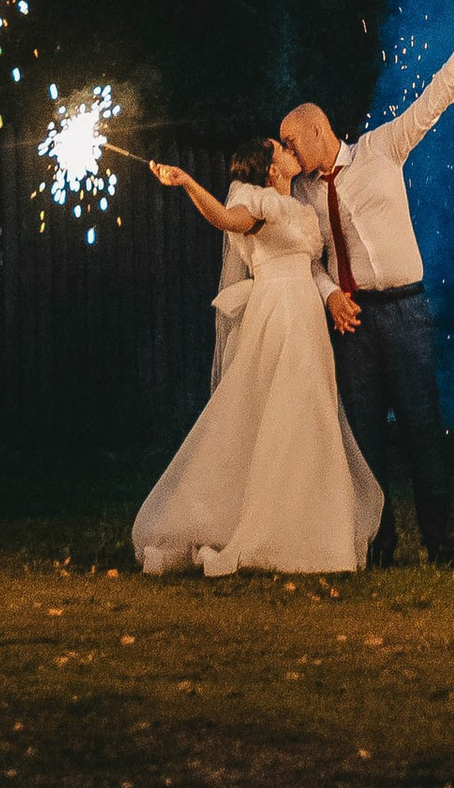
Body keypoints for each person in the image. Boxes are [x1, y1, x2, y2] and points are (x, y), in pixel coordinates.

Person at [281, 10, 454, 572]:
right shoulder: (301, 192)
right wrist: (328, 295)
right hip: (352, 321)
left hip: (404, 310)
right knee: (364, 438)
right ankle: (379, 545)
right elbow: (309, 258)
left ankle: (440, 544)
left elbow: (431, 104)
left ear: (318, 132)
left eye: (290, 139)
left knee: (422, 428)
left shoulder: (381, 149)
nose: (287, 149)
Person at [133, 144, 384, 575]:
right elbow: (225, 220)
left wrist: (331, 299)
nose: (291, 151)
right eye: (282, 149)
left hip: (306, 316)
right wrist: (189, 183)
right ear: (271, 168)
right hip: (278, 312)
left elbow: (313, 265)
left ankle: (316, 531)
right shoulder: (255, 200)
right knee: (278, 411)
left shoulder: (298, 205)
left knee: (310, 413)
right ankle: (269, 531)